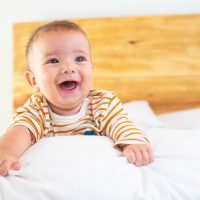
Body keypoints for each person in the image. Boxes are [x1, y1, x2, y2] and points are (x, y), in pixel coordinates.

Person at [0, 20, 154, 176]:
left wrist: (133, 143)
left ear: (91, 70)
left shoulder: (103, 104)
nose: (68, 68)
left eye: (79, 59)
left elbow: (120, 124)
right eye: (53, 61)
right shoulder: (36, 110)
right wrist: (7, 151)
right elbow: (21, 130)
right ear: (34, 80)